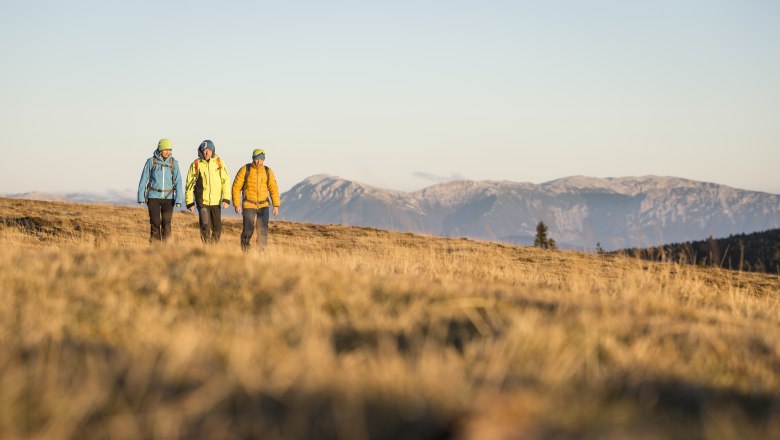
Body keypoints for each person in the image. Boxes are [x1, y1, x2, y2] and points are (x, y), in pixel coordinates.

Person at [231, 148, 281, 251]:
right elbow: (236, 187)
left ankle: (261, 254)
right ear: (253, 158)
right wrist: (237, 204)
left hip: (264, 205)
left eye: (261, 159)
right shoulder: (245, 169)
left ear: (264, 160)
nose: (259, 162)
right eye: (257, 159)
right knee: (248, 230)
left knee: (263, 230)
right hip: (249, 204)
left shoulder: (268, 171)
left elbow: (273, 188)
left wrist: (276, 205)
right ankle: (245, 251)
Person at [137, 138, 184, 242]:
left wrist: (179, 199)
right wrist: (141, 196)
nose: (167, 152)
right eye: (165, 149)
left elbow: (178, 181)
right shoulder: (151, 161)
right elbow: (144, 179)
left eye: (169, 150)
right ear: (160, 150)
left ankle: (167, 247)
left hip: (168, 198)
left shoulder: (173, 163)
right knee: (155, 222)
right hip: (153, 197)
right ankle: (154, 246)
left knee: (167, 224)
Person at [185, 140, 230, 243]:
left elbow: (225, 181)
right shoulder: (196, 164)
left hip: (216, 202)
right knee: (205, 227)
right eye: (204, 150)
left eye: (209, 150)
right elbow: (189, 184)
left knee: (217, 229)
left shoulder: (219, 162)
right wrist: (189, 202)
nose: (207, 153)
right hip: (202, 202)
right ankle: (207, 248)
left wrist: (226, 199)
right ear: (201, 151)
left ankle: (213, 248)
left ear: (212, 151)